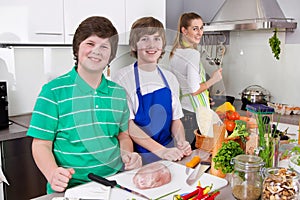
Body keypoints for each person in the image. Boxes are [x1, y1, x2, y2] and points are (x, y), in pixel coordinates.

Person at [27, 16, 142, 194]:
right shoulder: (53, 91)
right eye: (90, 43)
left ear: (111, 55)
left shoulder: (118, 94)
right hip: (70, 189)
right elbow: (41, 144)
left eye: (104, 46)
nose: (97, 51)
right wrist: (52, 173)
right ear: (77, 48)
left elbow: (123, 136)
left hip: (114, 184)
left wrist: (127, 155)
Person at [111, 17, 192, 164]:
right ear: (134, 45)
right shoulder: (122, 78)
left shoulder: (170, 78)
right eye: (144, 39)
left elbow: (176, 120)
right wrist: (161, 151)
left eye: (157, 39)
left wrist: (181, 141)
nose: (151, 45)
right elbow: (128, 126)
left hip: (169, 157)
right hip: (137, 159)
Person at [169, 12, 223, 148]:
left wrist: (205, 97)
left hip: (181, 113)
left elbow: (184, 87)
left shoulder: (175, 52)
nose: (199, 33)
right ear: (184, 31)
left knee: (186, 156)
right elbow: (194, 90)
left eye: (201, 28)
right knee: (199, 156)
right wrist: (214, 79)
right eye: (195, 29)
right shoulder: (192, 54)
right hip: (193, 117)